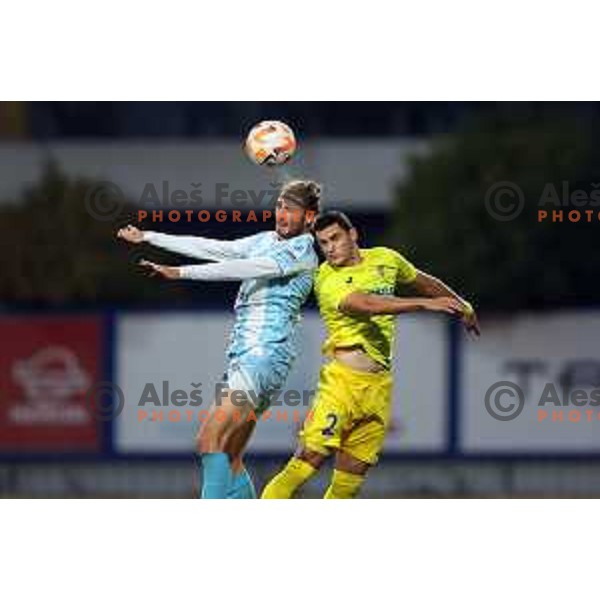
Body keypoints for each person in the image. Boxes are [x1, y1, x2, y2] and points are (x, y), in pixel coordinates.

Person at [116, 180, 321, 499]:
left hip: (263, 357)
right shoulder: (266, 239)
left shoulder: (302, 249)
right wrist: (149, 237)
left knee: (208, 440)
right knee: (230, 457)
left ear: (309, 217)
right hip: (250, 359)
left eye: (291, 209)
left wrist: (180, 273)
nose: (281, 214)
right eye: (279, 206)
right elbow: (214, 248)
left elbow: (241, 268)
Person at [261, 210, 480, 499]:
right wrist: (424, 305)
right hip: (341, 386)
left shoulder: (386, 259)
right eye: (323, 243)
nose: (329, 248)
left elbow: (423, 281)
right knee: (305, 463)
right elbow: (365, 304)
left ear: (353, 235)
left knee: (348, 484)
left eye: (335, 238)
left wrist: (461, 303)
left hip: (377, 388)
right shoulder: (327, 278)